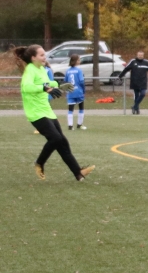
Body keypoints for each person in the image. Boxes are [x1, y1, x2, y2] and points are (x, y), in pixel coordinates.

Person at [14, 44, 94, 182]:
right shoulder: (30, 70)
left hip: (46, 110)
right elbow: (27, 87)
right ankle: (39, 163)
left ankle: (78, 172)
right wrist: (45, 88)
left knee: (62, 141)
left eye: (45, 54)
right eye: (41, 55)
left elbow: (48, 83)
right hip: (35, 112)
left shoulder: (41, 69)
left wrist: (59, 85)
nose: (45, 57)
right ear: (33, 58)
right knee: (56, 139)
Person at [119, 50, 148, 114]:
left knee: (143, 94)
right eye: (139, 55)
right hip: (135, 82)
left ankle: (134, 107)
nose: (140, 56)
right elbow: (126, 69)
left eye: (141, 55)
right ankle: (137, 110)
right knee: (136, 96)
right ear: (137, 55)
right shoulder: (133, 61)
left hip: (143, 82)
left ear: (143, 56)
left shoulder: (146, 62)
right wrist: (120, 76)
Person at [64, 55, 87, 130]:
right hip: (78, 91)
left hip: (70, 92)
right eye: (79, 60)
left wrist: (67, 90)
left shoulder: (68, 71)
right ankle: (79, 125)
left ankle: (70, 126)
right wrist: (84, 90)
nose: (80, 61)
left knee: (70, 109)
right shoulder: (79, 70)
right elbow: (81, 81)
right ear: (76, 61)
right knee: (81, 108)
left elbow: (65, 81)